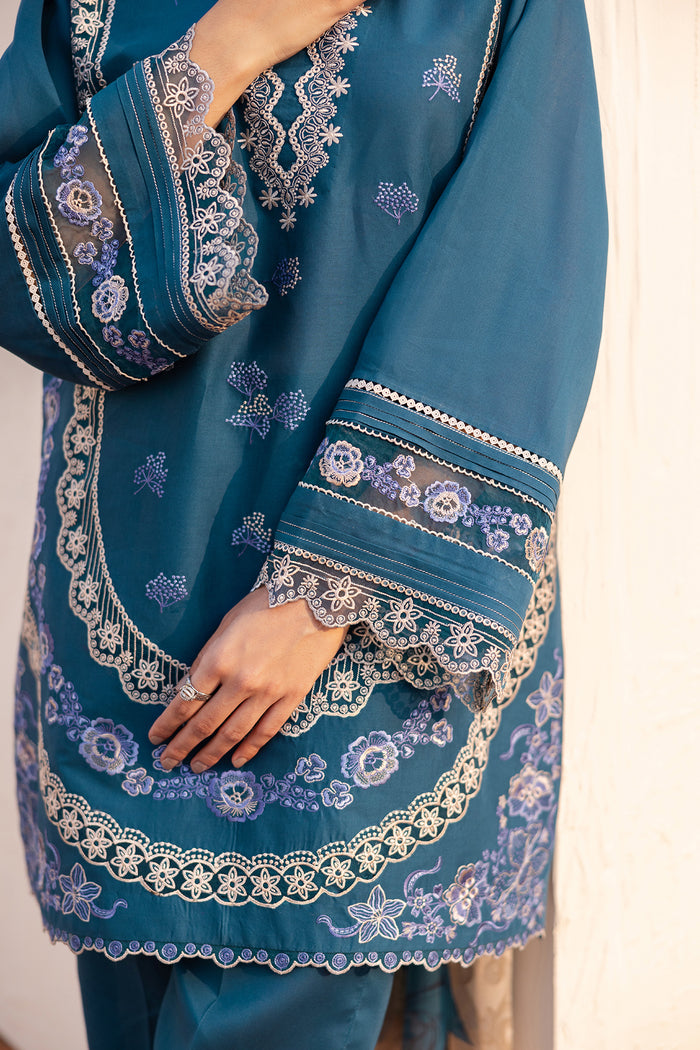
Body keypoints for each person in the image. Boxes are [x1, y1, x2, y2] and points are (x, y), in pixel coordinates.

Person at [1, 0, 607, 1046]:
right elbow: (20, 266)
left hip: (377, 639)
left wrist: (323, 593)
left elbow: (522, 277)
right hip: (123, 653)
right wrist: (227, 45)